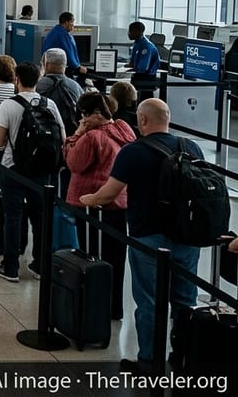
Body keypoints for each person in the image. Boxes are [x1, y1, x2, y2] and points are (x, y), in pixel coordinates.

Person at [79, 99, 202, 375]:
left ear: (143, 120)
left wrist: (89, 198)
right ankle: (182, 358)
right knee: (184, 301)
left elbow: (110, 193)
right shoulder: (190, 147)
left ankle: (148, 360)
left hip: (148, 236)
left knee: (148, 301)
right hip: (186, 236)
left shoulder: (133, 152)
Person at [0, 61, 66, 283]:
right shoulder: (49, 104)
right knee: (40, 218)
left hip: (13, 169)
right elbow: (61, 138)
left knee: (13, 218)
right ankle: (40, 265)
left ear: (17, 80)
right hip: (42, 171)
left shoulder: (9, 105)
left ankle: (10, 266)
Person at [62, 92, 134, 320]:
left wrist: (75, 135)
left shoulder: (92, 137)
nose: (82, 119)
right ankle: (113, 307)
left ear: (95, 114)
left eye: (84, 115)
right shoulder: (124, 129)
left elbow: (74, 162)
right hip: (119, 202)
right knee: (115, 259)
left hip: (92, 203)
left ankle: (94, 305)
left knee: (92, 257)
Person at [127, 21, 160, 99]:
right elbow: (132, 62)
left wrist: (131, 68)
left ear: (139, 32)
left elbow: (142, 68)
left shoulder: (147, 46)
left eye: (131, 31)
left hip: (146, 79)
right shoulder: (137, 43)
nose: (128, 33)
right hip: (138, 77)